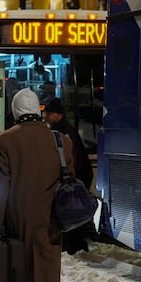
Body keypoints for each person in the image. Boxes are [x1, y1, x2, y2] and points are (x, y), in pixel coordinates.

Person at [0, 88, 74, 282]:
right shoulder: (62, 141)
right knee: (50, 273)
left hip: (19, 217)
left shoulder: (4, 140)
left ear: (15, 111)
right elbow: (69, 178)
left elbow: (1, 185)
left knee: (18, 269)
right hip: (51, 218)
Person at [43, 97, 96, 255]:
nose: (45, 116)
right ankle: (77, 247)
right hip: (78, 180)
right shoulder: (65, 130)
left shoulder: (62, 133)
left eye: (49, 113)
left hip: (74, 181)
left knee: (71, 216)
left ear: (58, 115)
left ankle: (74, 249)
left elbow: (71, 161)